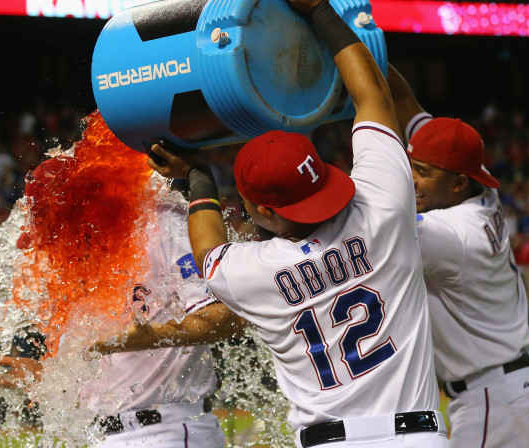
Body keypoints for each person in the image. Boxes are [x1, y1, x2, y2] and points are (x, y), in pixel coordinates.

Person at [147, 1, 448, 447]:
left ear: (263, 210)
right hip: (414, 436)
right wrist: (319, 12)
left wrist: (198, 175)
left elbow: (208, 251)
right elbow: (375, 98)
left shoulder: (256, 273)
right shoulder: (382, 206)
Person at [0, 157, 245, 448]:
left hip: (170, 431)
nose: (59, 238)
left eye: (62, 224)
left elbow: (229, 318)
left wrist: (148, 337)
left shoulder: (163, 222)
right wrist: (48, 381)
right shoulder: (72, 262)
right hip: (106, 434)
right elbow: (109, 379)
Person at [386, 63, 529, 447]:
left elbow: (375, 226)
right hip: (528, 383)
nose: (411, 178)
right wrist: (360, 43)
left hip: (496, 399)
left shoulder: (452, 234)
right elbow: (402, 98)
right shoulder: (474, 185)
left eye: (421, 171)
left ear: (458, 182)